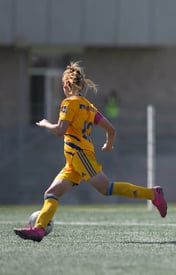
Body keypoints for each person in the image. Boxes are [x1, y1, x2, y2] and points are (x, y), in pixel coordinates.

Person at [14, 61, 167, 242]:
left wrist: (46, 124)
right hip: (73, 161)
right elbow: (111, 129)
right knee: (52, 192)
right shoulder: (88, 105)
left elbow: (60, 130)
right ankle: (38, 230)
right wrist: (109, 145)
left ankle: (152, 194)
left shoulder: (68, 103)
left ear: (65, 86)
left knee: (106, 188)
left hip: (80, 155)